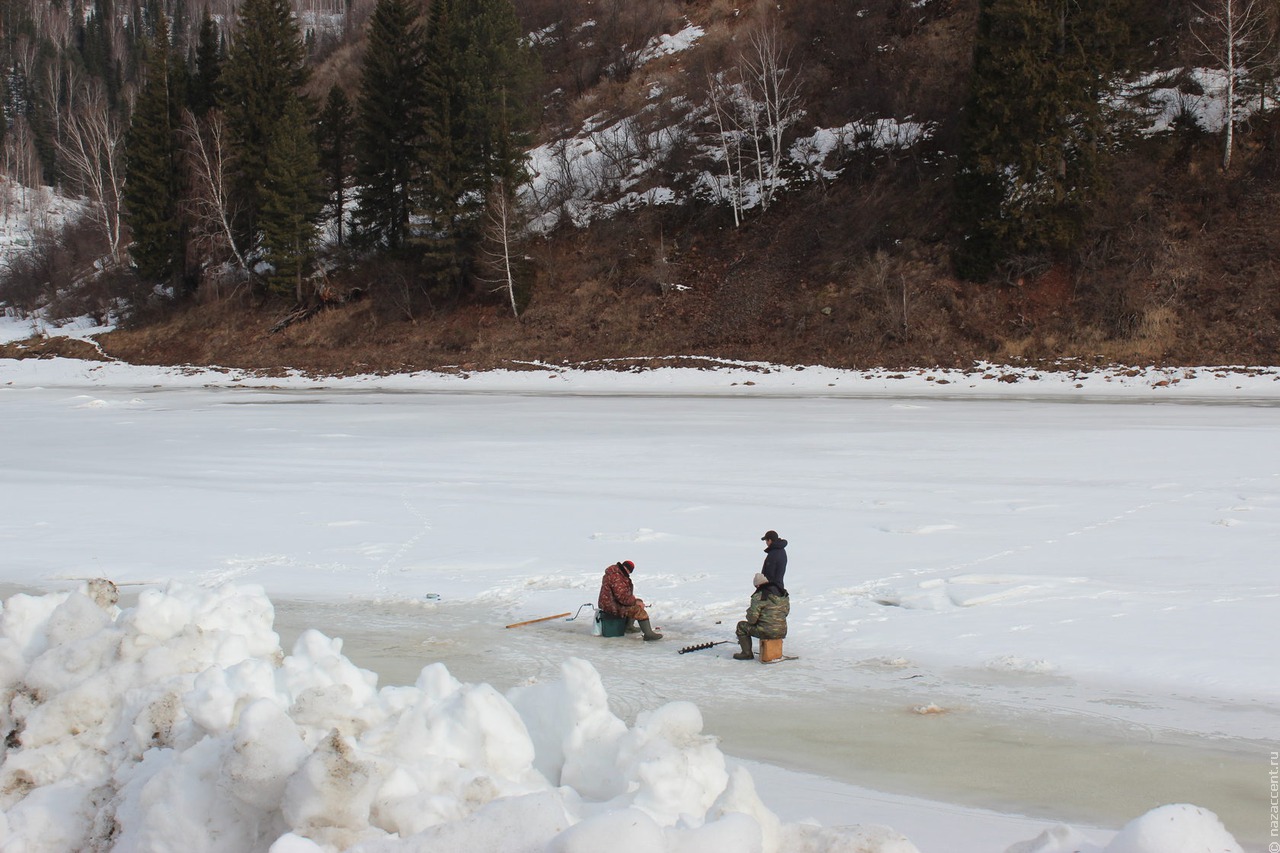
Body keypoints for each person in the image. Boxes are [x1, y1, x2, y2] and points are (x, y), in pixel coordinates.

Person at [597, 560, 663, 640]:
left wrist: (636, 601)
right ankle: (648, 634)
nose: (629, 574)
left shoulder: (617, 574)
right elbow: (622, 597)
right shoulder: (616, 577)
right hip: (612, 606)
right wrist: (635, 602)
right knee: (639, 610)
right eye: (629, 571)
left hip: (611, 603)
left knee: (638, 601)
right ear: (626, 568)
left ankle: (629, 627)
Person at [735, 571, 789, 660]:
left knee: (741, 626)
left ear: (758, 585)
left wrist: (749, 612)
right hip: (782, 630)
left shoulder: (759, 596)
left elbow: (752, 619)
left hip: (766, 631)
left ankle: (746, 653)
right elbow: (786, 612)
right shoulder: (782, 593)